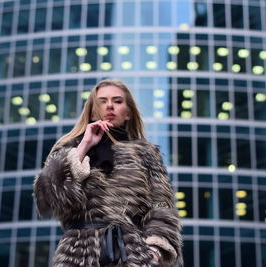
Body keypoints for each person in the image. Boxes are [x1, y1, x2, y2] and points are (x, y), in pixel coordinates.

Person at [33, 79, 183, 266]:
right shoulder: (70, 150)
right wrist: (84, 146)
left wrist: (154, 250)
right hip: (78, 254)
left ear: (128, 113)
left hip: (133, 254)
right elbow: (47, 201)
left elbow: (161, 204)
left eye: (118, 101)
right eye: (102, 101)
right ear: (93, 110)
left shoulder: (147, 153)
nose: (110, 106)